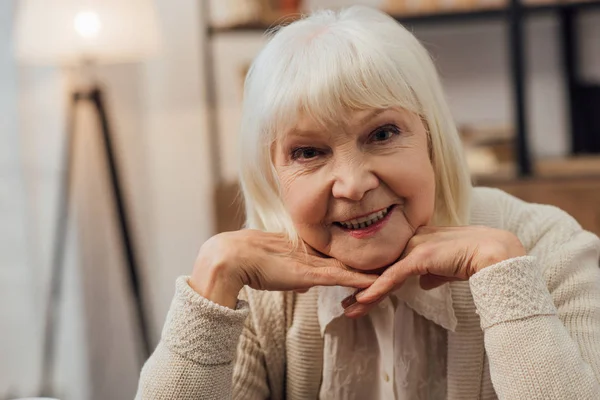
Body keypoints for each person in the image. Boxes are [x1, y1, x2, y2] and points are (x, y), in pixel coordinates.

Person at [136, 6, 600, 400]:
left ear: (432, 139)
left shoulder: (547, 246)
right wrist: (213, 281)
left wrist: (505, 278)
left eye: (382, 134)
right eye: (308, 152)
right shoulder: (256, 291)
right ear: (273, 173)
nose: (353, 185)